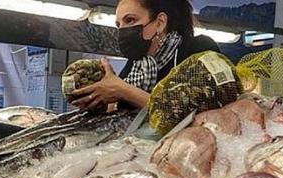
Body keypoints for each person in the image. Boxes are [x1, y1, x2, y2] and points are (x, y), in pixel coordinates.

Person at [69, 0, 220, 111]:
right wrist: (100, 101)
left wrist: (123, 90)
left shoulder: (199, 50)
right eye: (119, 25)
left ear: (160, 23)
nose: (122, 30)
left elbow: (197, 115)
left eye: (130, 20)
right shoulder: (135, 65)